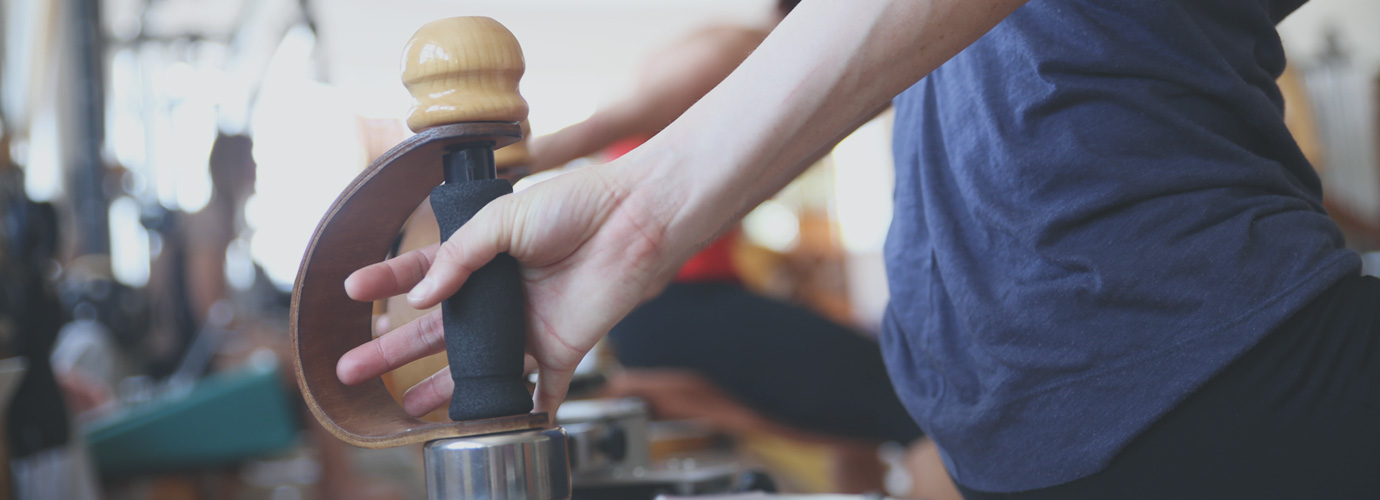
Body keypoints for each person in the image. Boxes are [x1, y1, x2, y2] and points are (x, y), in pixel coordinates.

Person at [337, 1, 1379, 498]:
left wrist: (634, 201)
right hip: (1054, 391)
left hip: (1155, 354)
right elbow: (760, 42)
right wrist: (582, 157)